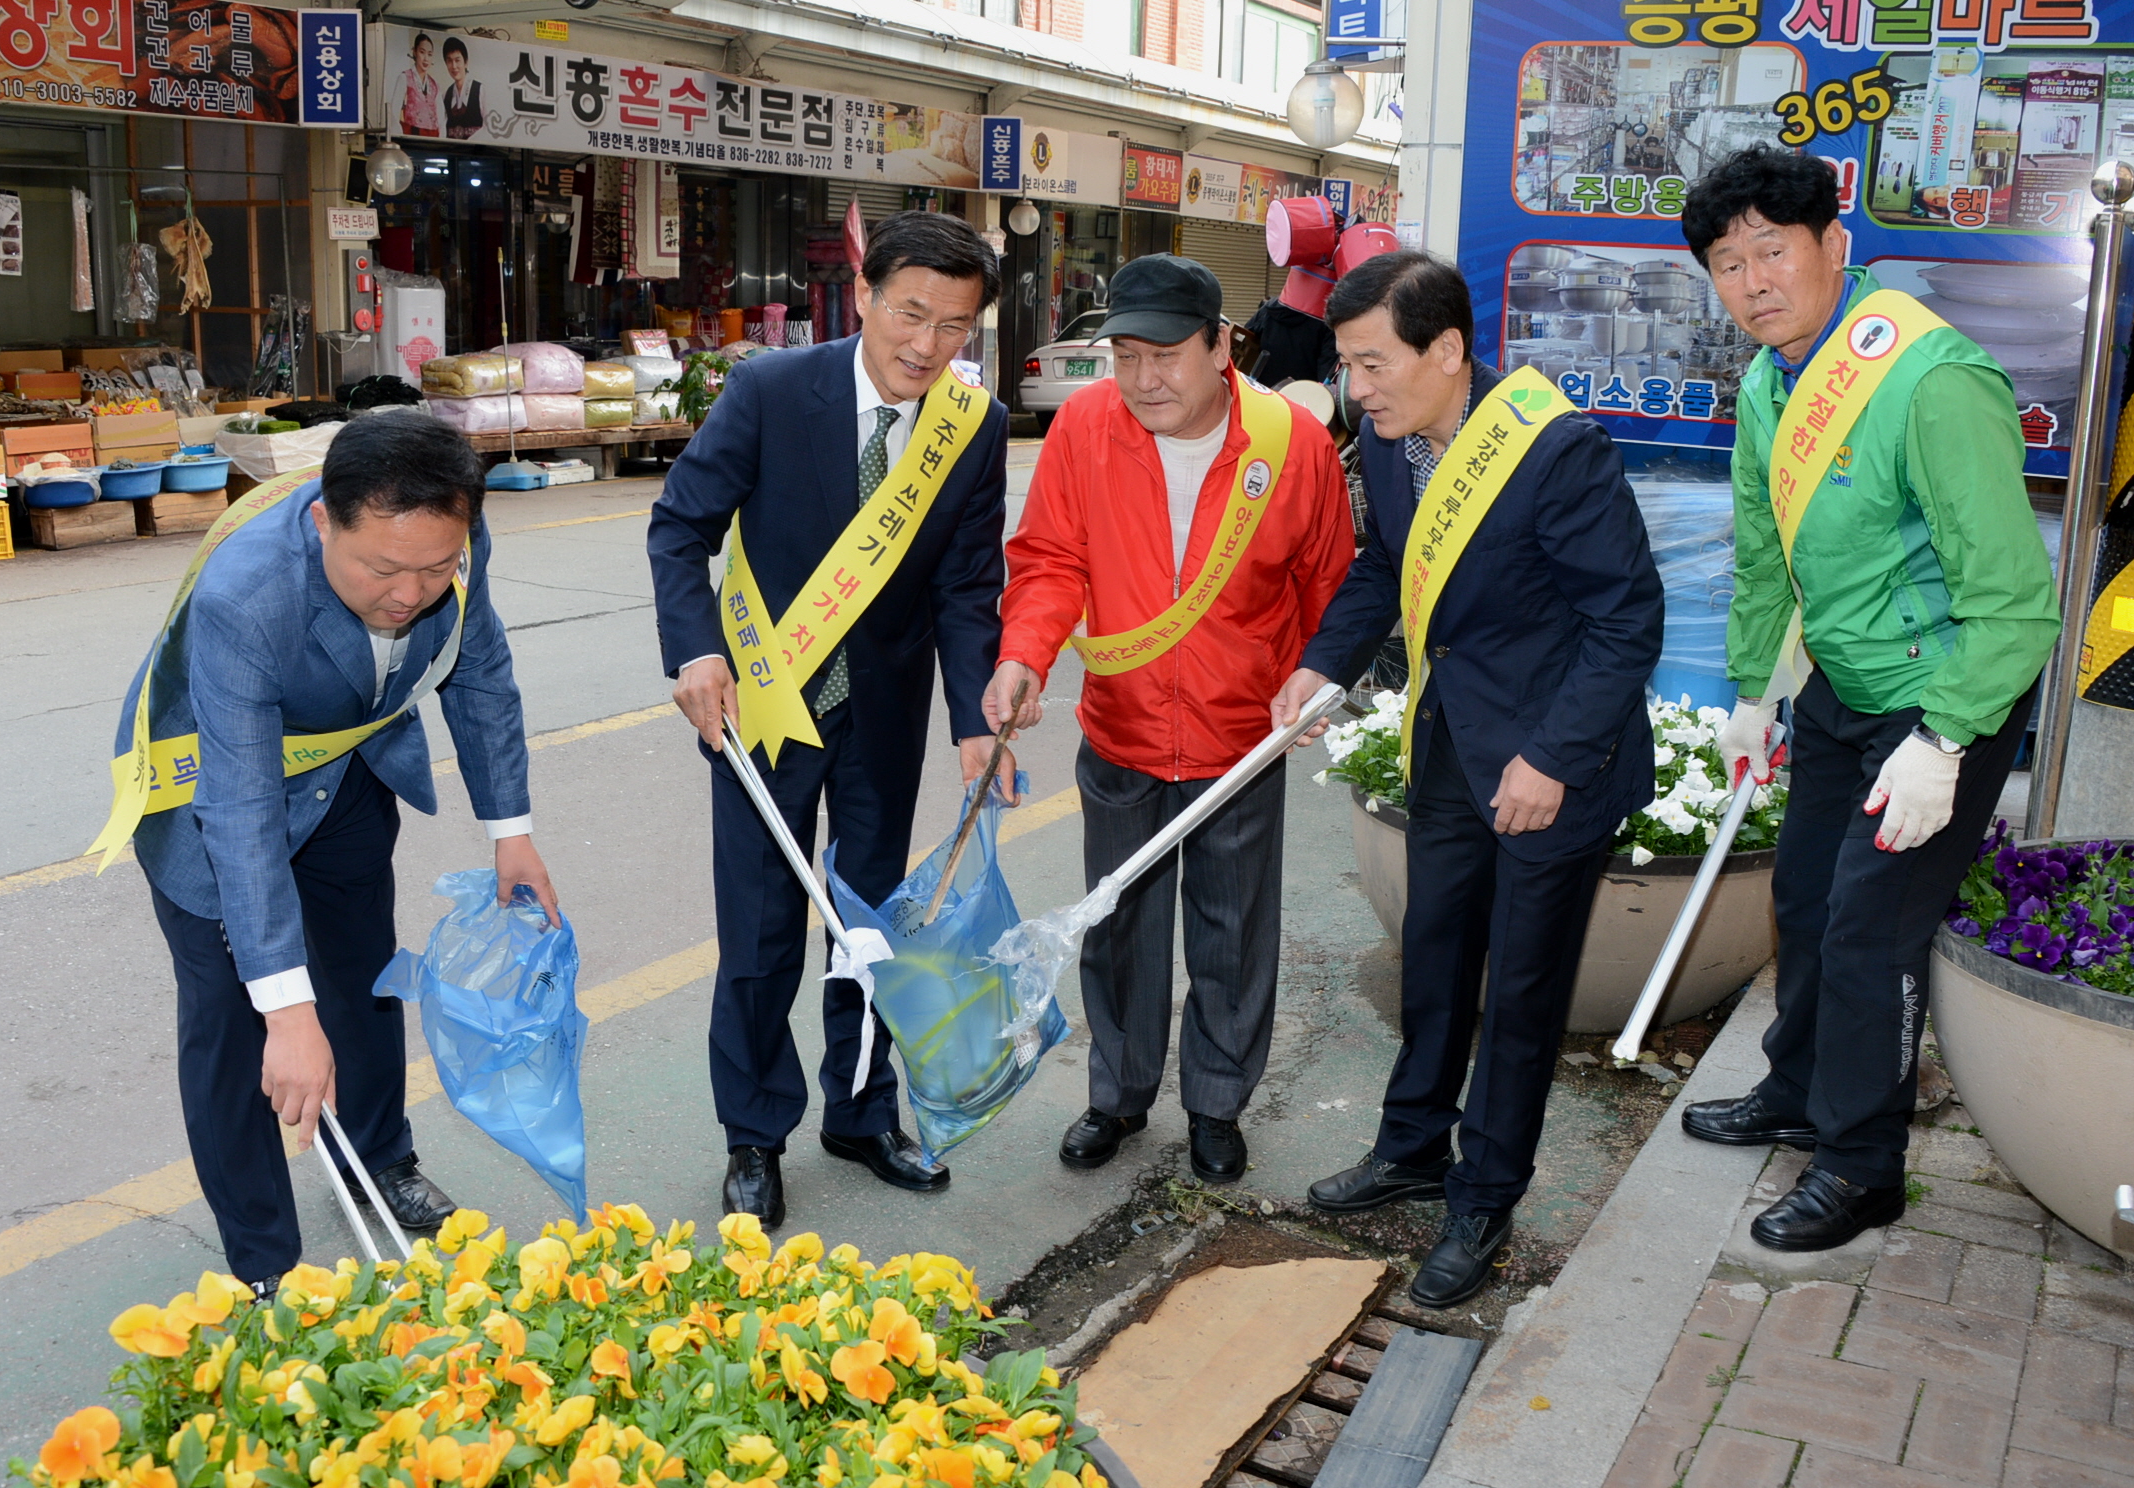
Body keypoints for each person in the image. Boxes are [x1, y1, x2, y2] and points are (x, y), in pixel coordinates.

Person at [1675, 147, 2058, 1251]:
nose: (1753, 282)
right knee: (1803, 902)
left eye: (1773, 251)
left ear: (1833, 245)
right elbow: (1764, 556)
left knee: (1869, 932)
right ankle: (1797, 1090)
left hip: (1945, 703)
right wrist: (1753, 692)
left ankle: (1861, 1163)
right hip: (1841, 687)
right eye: (1728, 263)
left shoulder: (1930, 379)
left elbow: (2015, 602)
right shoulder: (1769, 380)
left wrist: (1945, 738)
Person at [1272, 252, 1664, 1308]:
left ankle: (1485, 1199)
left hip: (1552, 767)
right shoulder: (1390, 440)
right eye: (1347, 366)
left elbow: (1627, 621)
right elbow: (1383, 566)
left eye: (1373, 363)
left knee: (1522, 991)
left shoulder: (1556, 450)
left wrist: (1552, 759)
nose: (1356, 389)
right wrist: (1323, 664)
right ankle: (1411, 1147)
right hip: (1451, 746)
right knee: (1434, 959)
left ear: (1446, 350)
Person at [108, 415, 554, 1294]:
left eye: (436, 568)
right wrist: (285, 1011)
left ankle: (379, 1158)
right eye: (382, 570)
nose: (410, 593)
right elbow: (239, 810)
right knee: (235, 1025)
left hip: (345, 764)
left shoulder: (450, 536)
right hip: (212, 785)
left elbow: (480, 669)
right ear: (323, 523)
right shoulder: (246, 596)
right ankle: (266, 1264)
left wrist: (512, 832)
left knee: (361, 974)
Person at [647, 211, 1012, 1227]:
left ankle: (860, 1112)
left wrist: (972, 719)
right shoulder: (770, 390)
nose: (926, 345)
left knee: (868, 928)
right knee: (760, 932)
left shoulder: (972, 426)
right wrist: (694, 649)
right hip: (762, 706)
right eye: (910, 313)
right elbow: (680, 526)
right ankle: (753, 1135)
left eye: (954, 325)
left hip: (882, 716)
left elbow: (968, 584)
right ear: (863, 295)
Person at [986, 254, 1354, 1184]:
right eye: (1125, 357)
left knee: (1233, 927)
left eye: (1165, 356)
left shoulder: (1292, 443)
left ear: (1220, 346)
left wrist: (1315, 678)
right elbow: (1050, 558)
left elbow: (1328, 581)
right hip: (1123, 724)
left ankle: (1217, 1103)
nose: (1144, 379)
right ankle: (1118, 1094)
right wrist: (1024, 654)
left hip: (1241, 736)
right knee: (1117, 921)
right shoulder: (1084, 426)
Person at [398, 33, 439, 139]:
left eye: (429, 54)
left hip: (433, 136)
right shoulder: (405, 77)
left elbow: (441, 117)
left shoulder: (434, 84)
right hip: (412, 134)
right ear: (414, 52)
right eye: (422, 52)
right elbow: (394, 112)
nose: (426, 59)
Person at [442, 37, 482, 141]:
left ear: (466, 62)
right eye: (449, 61)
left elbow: (488, 127)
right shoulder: (446, 95)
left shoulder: (480, 90)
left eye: (457, 60)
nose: (454, 66)